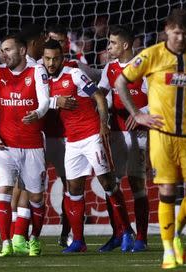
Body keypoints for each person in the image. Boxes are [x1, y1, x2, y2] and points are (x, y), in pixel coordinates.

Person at [115, 9, 186, 269]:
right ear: (167, 30)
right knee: (166, 190)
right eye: (176, 32)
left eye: (185, 33)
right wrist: (137, 114)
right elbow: (120, 82)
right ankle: (167, 250)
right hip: (162, 134)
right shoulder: (151, 55)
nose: (180, 37)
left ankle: (176, 233)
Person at [42, 39, 134, 253]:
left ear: (62, 58)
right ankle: (78, 241)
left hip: (92, 136)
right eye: (47, 58)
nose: (51, 62)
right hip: (72, 142)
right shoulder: (43, 80)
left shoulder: (73, 75)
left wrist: (103, 125)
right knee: (73, 189)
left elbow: (99, 96)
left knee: (107, 183)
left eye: (55, 58)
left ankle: (127, 231)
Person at [0, 33, 49, 257]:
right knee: (3, 191)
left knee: (36, 198)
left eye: (9, 49)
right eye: (2, 50)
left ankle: (34, 239)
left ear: (22, 51)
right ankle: (6, 243)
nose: (4, 54)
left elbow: (45, 101)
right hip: (5, 146)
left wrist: (37, 113)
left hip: (32, 145)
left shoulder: (37, 71)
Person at [97, 25, 149, 253]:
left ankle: (141, 238)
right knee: (111, 184)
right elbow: (100, 96)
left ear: (125, 45)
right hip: (116, 133)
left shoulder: (143, 67)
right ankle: (119, 233)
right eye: (109, 43)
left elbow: (157, 98)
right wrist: (103, 115)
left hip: (139, 133)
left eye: (113, 43)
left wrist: (141, 114)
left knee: (137, 183)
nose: (109, 47)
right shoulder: (109, 68)